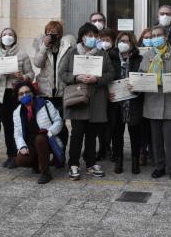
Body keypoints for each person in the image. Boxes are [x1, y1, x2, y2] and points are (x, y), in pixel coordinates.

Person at [59, 23, 115, 181]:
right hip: (78, 98)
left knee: (92, 135)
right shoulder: (72, 52)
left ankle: (90, 163)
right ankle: (73, 164)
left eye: (95, 36)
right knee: (76, 134)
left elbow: (111, 73)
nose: (93, 38)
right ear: (82, 37)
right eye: (89, 35)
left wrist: (97, 79)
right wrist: (76, 77)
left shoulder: (102, 53)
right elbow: (62, 73)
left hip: (96, 100)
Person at [138, 25, 171, 181]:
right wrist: (136, 83)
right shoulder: (148, 55)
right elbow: (141, 75)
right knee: (156, 139)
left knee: (170, 138)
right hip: (152, 101)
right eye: (153, 36)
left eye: (159, 35)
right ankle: (159, 167)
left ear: (165, 37)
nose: (156, 38)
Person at [0, 27, 35, 169]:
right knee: (7, 126)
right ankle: (11, 155)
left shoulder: (22, 54)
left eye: (10, 34)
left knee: (20, 125)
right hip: (1, 95)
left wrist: (23, 77)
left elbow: (31, 74)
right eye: (4, 34)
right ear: (0, 38)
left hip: (18, 94)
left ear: (15, 37)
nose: (7, 36)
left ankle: (24, 153)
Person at [32, 21, 74, 166]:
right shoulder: (41, 45)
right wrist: (44, 46)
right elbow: (37, 63)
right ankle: (49, 153)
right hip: (46, 93)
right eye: (48, 31)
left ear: (60, 33)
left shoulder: (67, 46)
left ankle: (60, 155)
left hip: (62, 93)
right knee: (45, 126)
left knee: (61, 126)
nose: (51, 34)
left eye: (54, 32)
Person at [13, 81, 63, 184]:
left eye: (27, 92)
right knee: (20, 160)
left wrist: (49, 132)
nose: (25, 95)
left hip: (47, 140)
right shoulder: (17, 112)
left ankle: (46, 173)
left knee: (40, 139)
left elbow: (59, 121)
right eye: (21, 94)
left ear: (32, 92)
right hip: (31, 144)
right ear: (18, 97)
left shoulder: (46, 104)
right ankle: (37, 163)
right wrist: (22, 146)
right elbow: (17, 133)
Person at [108, 31, 144, 174]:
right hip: (116, 102)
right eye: (121, 41)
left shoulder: (139, 59)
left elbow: (144, 77)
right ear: (117, 43)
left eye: (127, 41)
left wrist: (138, 86)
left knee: (135, 132)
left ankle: (135, 161)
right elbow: (106, 78)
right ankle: (119, 160)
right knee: (117, 133)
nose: (124, 43)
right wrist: (107, 92)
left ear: (132, 43)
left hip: (133, 101)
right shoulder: (110, 58)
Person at [96, 28, 116, 161]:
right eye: (102, 40)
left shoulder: (115, 55)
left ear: (113, 42)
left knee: (112, 123)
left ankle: (109, 148)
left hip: (113, 93)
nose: (104, 42)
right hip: (100, 93)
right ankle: (102, 148)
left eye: (107, 40)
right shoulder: (96, 54)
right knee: (100, 124)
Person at [136, 27, 153, 165]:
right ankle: (142, 150)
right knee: (143, 126)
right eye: (145, 38)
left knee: (153, 125)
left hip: (154, 94)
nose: (148, 40)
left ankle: (153, 150)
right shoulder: (137, 53)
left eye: (150, 38)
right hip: (141, 95)